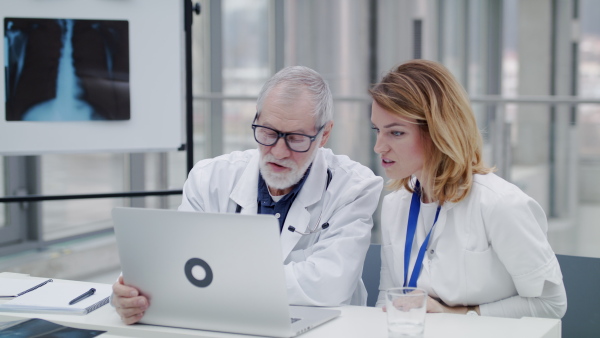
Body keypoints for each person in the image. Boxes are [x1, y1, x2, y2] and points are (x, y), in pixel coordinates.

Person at [112, 66, 384, 324]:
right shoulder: (210, 178)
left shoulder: (354, 187)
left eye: (296, 139)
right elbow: (173, 260)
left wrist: (212, 280)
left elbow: (329, 286)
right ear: (255, 119)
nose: (278, 151)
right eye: (267, 132)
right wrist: (132, 292)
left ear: (324, 135)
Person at [370, 59, 567, 318]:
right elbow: (388, 298)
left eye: (396, 133)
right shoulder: (395, 205)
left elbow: (551, 305)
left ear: (438, 131)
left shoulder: (501, 204)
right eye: (377, 130)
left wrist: (462, 313)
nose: (379, 147)